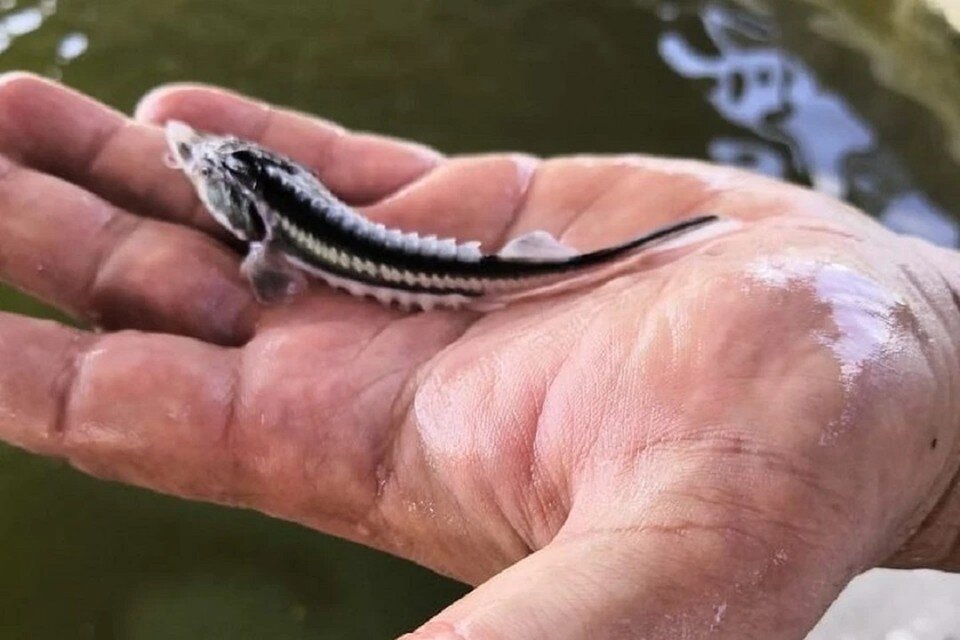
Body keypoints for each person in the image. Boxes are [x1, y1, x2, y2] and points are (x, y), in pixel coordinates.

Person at [0, 71, 957, 640]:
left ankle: (644, 249)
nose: (194, 159)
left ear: (256, 216)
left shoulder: (271, 243)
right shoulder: (288, 207)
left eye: (205, 167)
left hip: (448, 274)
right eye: (200, 166)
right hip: (421, 255)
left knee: (508, 275)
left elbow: (272, 268)